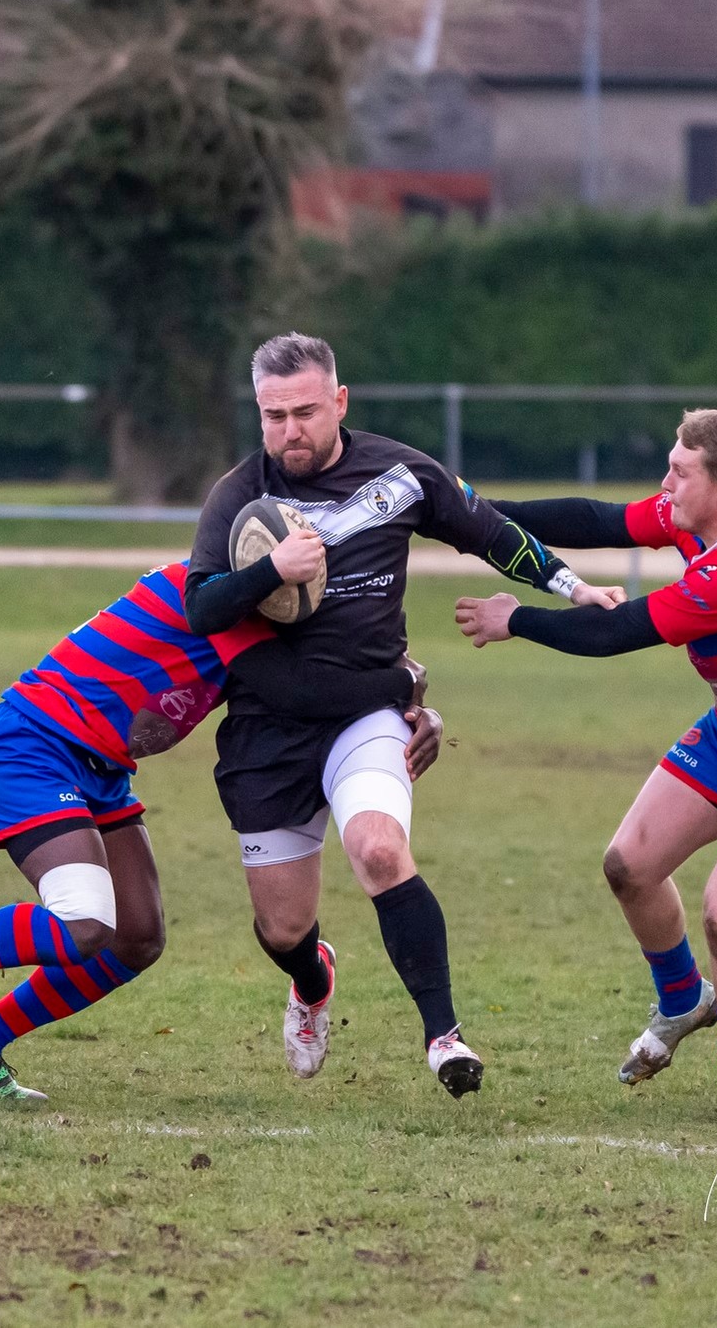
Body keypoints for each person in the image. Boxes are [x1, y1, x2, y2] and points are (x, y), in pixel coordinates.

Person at [184, 332, 619, 1097]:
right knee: (283, 929)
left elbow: (486, 528)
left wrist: (571, 585)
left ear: (340, 402)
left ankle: (444, 1038)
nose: (291, 430)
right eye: (274, 414)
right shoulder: (238, 497)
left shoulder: (400, 473)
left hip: (369, 713)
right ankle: (312, 982)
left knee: (381, 851)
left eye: (306, 412)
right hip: (268, 728)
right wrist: (268, 571)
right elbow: (200, 608)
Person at [0, 560, 443, 1102]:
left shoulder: (253, 608)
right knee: (83, 924)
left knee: (136, 937)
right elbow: (301, 689)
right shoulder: (211, 595)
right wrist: (400, 687)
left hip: (99, 769)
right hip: (32, 748)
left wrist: (411, 705)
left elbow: (336, 669)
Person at [456, 408, 717, 1121]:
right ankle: (684, 999)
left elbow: (617, 632)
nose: (664, 482)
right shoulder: (709, 512)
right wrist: (475, 514)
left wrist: (513, 619)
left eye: (679, 472)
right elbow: (598, 519)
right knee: (629, 865)